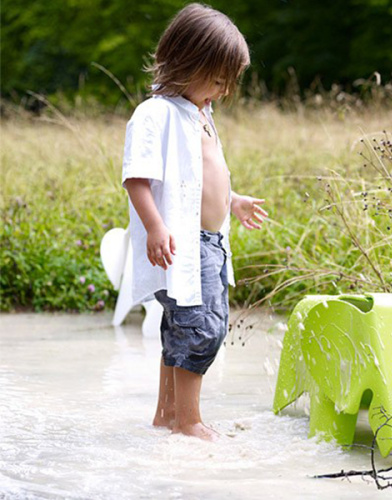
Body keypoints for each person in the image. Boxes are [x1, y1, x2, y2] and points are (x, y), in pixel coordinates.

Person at [122, 3, 268, 441]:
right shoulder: (156, 113)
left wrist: (233, 199)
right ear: (188, 62)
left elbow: (199, 175)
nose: (222, 92)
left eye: (228, 83)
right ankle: (189, 422)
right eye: (218, 80)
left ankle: (167, 415)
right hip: (182, 242)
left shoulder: (199, 113)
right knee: (202, 327)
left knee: (181, 327)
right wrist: (155, 226)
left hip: (210, 241)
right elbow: (136, 177)